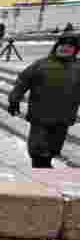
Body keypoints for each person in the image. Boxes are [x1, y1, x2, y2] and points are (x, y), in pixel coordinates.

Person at [7, 32, 80, 168]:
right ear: (56, 46)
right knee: (37, 151)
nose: (65, 48)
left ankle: (44, 170)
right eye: (62, 45)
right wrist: (14, 100)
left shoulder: (78, 68)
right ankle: (41, 171)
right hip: (40, 117)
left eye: (70, 46)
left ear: (75, 50)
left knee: (52, 150)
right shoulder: (41, 65)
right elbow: (23, 81)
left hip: (63, 118)